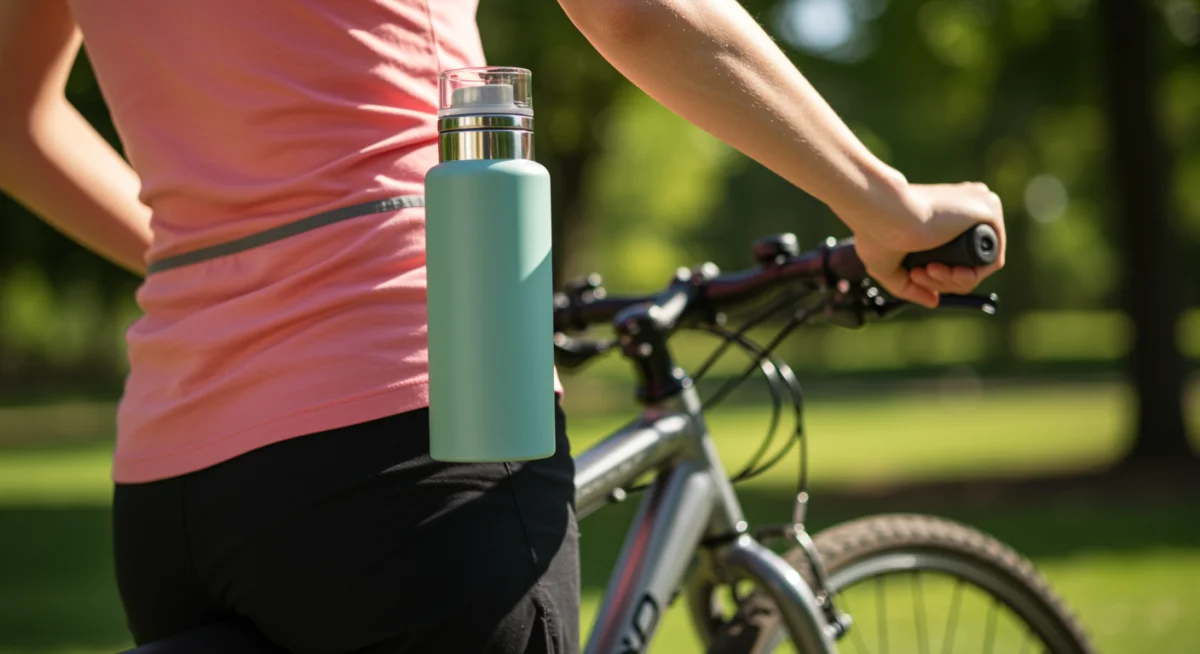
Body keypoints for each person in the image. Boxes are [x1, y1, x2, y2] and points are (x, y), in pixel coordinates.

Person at [0, 0, 1005, 652]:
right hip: (410, 440)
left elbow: (14, 120)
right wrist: (886, 203)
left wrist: (238, 273)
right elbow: (639, 14)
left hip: (174, 479)